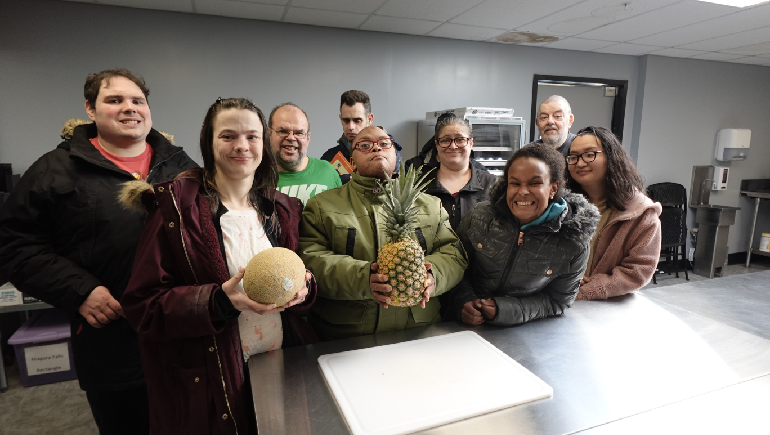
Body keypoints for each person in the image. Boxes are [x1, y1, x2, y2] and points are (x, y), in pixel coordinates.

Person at [0, 68, 197, 434]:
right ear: (90, 109)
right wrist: (79, 290)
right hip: (112, 341)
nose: (129, 108)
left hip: (183, 337)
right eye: (115, 100)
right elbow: (15, 244)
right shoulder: (55, 170)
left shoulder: (182, 167)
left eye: (138, 100)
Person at [120, 97, 317, 435]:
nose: (242, 146)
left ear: (264, 142)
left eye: (252, 136)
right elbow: (142, 307)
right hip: (214, 378)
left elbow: (300, 276)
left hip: (279, 366)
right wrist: (219, 302)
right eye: (228, 136)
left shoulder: (282, 209)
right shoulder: (175, 210)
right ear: (208, 143)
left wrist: (306, 288)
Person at [300, 125, 467, 340]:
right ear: (352, 163)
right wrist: (363, 277)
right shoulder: (321, 206)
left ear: (395, 156)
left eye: (384, 143)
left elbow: (454, 253)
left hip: (420, 333)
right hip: (346, 339)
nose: (376, 148)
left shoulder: (431, 205)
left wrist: (433, 275)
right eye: (365, 145)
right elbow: (310, 260)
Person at [446, 143, 599, 326]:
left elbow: (558, 300)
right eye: (515, 183)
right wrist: (463, 301)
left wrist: (507, 310)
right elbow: (453, 265)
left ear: (553, 188)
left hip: (526, 335)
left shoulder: (574, 240)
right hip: (465, 329)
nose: (523, 192)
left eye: (535, 183)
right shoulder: (480, 216)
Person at [566, 126, 662, 300]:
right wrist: (562, 278)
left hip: (607, 307)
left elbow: (637, 271)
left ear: (611, 157)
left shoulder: (641, 213)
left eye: (589, 154)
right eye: (573, 157)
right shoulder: (562, 204)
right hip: (555, 300)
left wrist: (586, 290)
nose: (579, 163)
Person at [320, 90, 402, 184]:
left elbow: (396, 191)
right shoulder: (329, 157)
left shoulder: (389, 153)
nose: (351, 127)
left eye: (357, 121)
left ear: (369, 119)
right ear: (340, 119)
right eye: (346, 120)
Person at [268, 103, 340, 205]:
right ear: (269, 134)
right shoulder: (256, 177)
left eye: (299, 133)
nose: (291, 138)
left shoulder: (327, 171)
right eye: (283, 131)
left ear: (308, 138)